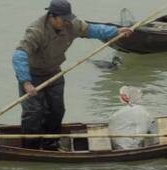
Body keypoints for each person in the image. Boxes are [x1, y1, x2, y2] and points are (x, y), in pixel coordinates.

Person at [12, 0, 133, 150]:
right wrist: (26, 82)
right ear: (52, 17)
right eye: (63, 20)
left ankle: (51, 145)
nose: (67, 22)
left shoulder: (71, 24)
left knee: (57, 110)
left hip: (53, 73)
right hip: (32, 76)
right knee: (34, 113)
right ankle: (30, 149)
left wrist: (116, 31)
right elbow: (19, 54)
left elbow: (92, 29)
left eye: (68, 19)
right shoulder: (36, 31)